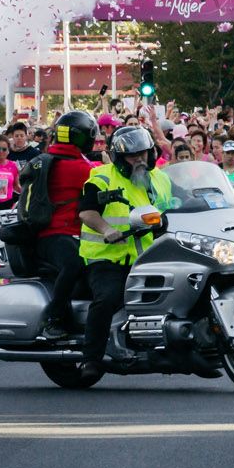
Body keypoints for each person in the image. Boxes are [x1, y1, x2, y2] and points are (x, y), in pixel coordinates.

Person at [76, 124, 173, 378]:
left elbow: (173, 208)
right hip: (107, 257)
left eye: (143, 153)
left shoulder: (160, 178)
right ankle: (91, 360)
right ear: (119, 158)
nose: (140, 159)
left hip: (149, 257)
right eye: (133, 155)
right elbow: (86, 212)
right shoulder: (102, 177)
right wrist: (106, 229)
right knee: (107, 299)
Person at [36, 111, 98, 338]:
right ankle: (54, 318)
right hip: (58, 234)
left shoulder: (47, 158)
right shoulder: (82, 168)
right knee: (74, 264)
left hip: (52, 234)